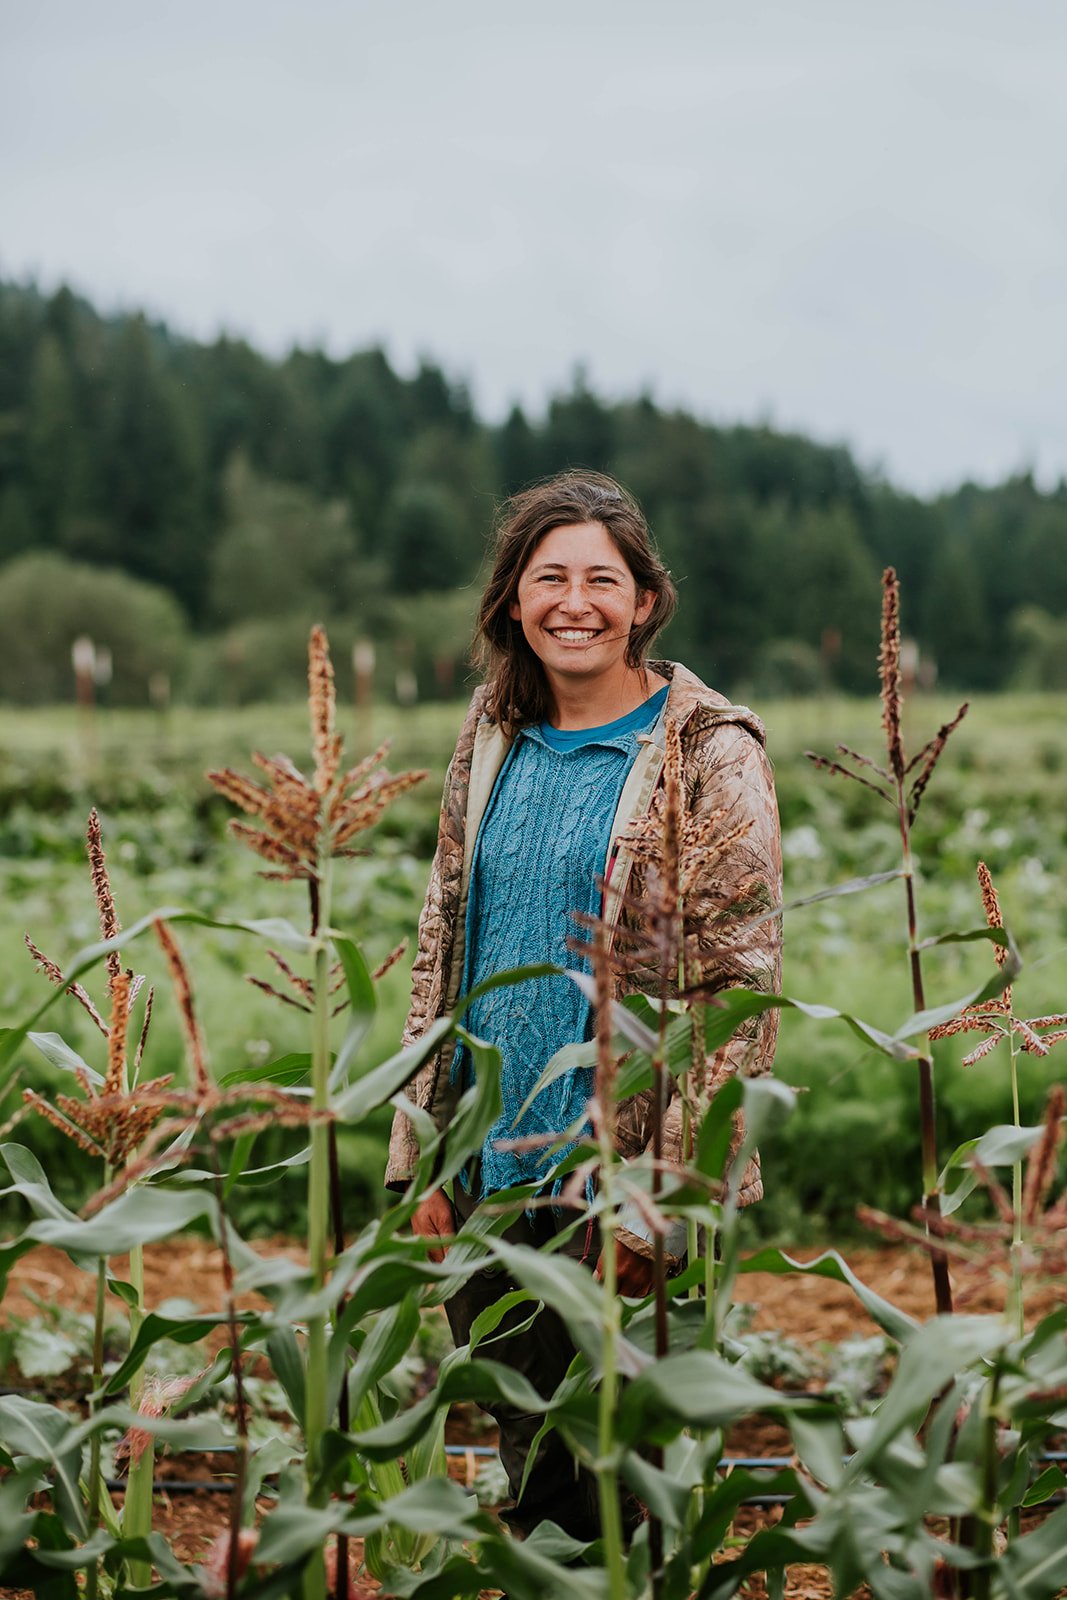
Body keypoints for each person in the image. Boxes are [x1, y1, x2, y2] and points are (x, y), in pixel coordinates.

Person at [385, 470, 781, 1540]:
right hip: (489, 1168)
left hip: (617, 1175)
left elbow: (738, 988)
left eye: (599, 579)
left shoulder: (709, 751)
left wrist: (672, 1192)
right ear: (511, 600)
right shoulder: (492, 731)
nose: (573, 601)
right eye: (545, 576)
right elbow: (442, 941)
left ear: (644, 600)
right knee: (533, 1481)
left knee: (616, 1491)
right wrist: (421, 1149)